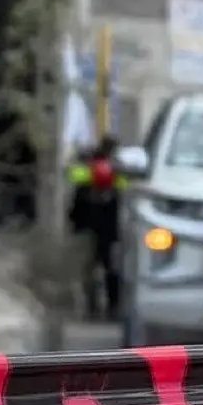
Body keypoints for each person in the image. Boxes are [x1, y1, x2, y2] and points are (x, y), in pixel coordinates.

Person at [67, 135, 125, 320]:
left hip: (93, 227)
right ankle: (107, 307)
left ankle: (96, 308)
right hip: (105, 229)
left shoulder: (90, 169)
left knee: (94, 269)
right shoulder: (115, 171)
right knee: (108, 269)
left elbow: (76, 202)